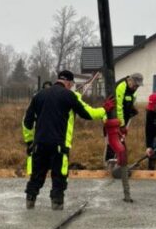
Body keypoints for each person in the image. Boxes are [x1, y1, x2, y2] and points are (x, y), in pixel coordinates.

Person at [22, 70, 107, 210]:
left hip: (39, 144)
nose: (72, 87)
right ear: (68, 82)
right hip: (58, 145)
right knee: (59, 177)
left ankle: (30, 202)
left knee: (36, 176)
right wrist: (104, 110)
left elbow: (27, 122)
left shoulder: (39, 95)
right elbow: (87, 114)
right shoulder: (69, 95)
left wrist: (30, 142)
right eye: (72, 84)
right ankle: (57, 205)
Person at [105, 72, 143, 165]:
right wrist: (121, 125)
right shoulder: (121, 87)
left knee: (121, 140)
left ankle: (119, 162)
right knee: (112, 141)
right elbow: (118, 107)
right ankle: (109, 162)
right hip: (113, 118)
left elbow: (129, 102)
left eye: (138, 86)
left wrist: (132, 109)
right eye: (135, 85)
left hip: (123, 119)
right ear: (130, 80)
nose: (136, 88)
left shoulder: (132, 90)